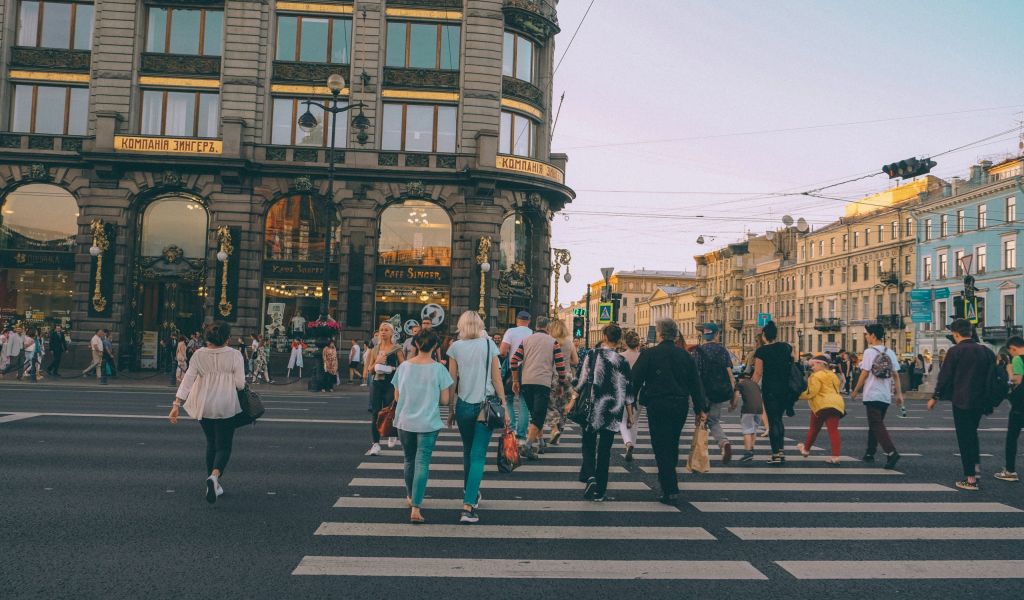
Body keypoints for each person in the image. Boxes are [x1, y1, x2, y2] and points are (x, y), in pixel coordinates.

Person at [168, 321, 247, 504]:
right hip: (226, 404)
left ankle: (211, 482)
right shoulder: (235, 355)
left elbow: (188, 379)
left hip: (204, 403)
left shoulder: (198, 354)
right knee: (224, 446)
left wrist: (176, 404)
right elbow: (240, 384)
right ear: (227, 338)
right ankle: (214, 476)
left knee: (211, 443)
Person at [629, 318, 706, 505]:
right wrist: (700, 409)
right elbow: (696, 384)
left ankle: (670, 488)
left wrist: (630, 402)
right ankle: (668, 481)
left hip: (657, 404)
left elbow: (635, 379)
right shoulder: (685, 356)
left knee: (660, 445)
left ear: (660, 334)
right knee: (672, 442)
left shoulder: (650, 354)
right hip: (680, 405)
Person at [445, 311, 508, 524]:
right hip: (485, 406)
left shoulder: (454, 347)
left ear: (461, 326)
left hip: (463, 406)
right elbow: (497, 379)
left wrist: (452, 409)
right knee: (478, 455)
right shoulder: (489, 345)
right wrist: (505, 405)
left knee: (467, 451)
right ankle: (468, 506)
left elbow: (452, 381)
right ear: (480, 325)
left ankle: (470, 491)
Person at [566, 324, 633, 502]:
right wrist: (630, 414)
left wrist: (572, 400)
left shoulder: (592, 355)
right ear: (619, 340)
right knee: (605, 450)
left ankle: (590, 476)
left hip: (593, 407)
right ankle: (600, 491)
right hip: (613, 410)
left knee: (588, 443)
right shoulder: (622, 361)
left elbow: (581, 381)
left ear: (604, 337)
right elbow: (627, 389)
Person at [928, 318, 997, 490]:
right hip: (980, 401)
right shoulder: (986, 351)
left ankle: (971, 478)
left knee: (965, 437)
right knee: (972, 433)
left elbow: (945, 376)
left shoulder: (955, 351)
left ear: (956, 334)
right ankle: (975, 465)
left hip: (961, 400)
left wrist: (935, 396)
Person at [392, 330, 452, 524]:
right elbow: (444, 400)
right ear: (435, 347)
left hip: (405, 420)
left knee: (409, 459)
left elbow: (397, 397)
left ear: (416, 345)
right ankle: (416, 507)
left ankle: (410, 496)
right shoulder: (439, 370)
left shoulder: (403, 367)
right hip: (428, 422)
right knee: (422, 462)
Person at [510, 316, 568, 460]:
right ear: (548, 328)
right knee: (538, 416)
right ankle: (528, 446)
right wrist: (561, 384)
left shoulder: (526, 340)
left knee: (535, 414)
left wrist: (515, 380)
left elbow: (514, 360)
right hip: (543, 383)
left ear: (536, 326)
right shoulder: (553, 342)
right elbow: (561, 366)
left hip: (526, 382)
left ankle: (541, 442)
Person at [850, 323, 902, 470]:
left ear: (873, 335)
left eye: (867, 334)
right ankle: (870, 452)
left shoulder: (869, 352)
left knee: (876, 424)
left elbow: (865, 373)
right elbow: (896, 375)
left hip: (872, 393)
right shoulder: (890, 352)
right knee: (875, 424)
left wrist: (855, 390)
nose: (866, 336)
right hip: (886, 395)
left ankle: (891, 452)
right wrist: (899, 395)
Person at [692, 323, 736, 464]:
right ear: (716, 335)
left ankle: (698, 456)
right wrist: (733, 394)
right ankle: (723, 443)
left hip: (703, 392)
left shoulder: (698, 351)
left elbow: (695, 375)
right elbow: (730, 374)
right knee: (714, 421)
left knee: (701, 421)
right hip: (718, 391)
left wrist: (694, 395)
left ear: (704, 335)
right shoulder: (723, 351)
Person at [752, 321, 795, 463]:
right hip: (785, 388)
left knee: (772, 421)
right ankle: (781, 451)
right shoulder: (786, 347)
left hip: (770, 389)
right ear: (776, 335)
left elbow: (758, 373)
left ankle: (776, 453)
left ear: (764, 335)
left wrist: (750, 386)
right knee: (779, 420)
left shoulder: (761, 351)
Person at [364, 321, 405, 455]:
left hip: (391, 383)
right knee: (375, 412)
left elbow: (404, 367)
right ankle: (375, 444)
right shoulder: (375, 349)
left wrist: (392, 368)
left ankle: (392, 433)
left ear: (392, 333)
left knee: (390, 410)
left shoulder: (396, 348)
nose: (383, 332)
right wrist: (377, 362)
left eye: (386, 330)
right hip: (377, 382)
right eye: (381, 330)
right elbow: (370, 369)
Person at [796, 354, 845, 464]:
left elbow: (811, 393)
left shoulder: (815, 376)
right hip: (837, 404)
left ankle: (806, 450)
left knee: (813, 429)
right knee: (833, 431)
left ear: (820, 364)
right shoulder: (833, 376)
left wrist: (796, 396)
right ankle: (835, 456)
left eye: (813, 365)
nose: (812, 368)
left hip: (822, 405)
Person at [500, 311, 534, 441]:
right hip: (527, 371)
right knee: (523, 402)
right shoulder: (532, 333)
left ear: (517, 320)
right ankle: (521, 433)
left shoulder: (511, 332)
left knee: (508, 399)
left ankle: (511, 427)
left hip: (512, 370)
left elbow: (502, 351)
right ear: (529, 321)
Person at [545, 319, 579, 446]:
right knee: (563, 407)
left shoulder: (550, 342)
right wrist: (565, 362)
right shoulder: (569, 343)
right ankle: (558, 435)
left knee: (550, 404)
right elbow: (575, 361)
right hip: (568, 376)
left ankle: (554, 428)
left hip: (553, 376)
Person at [996, 336, 1024, 482]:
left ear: (1013, 348)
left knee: (1012, 438)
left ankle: (1010, 471)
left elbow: (1017, 380)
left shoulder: (1018, 359)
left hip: (1020, 406)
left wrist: (1009, 371)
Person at [619, 330, 643, 460]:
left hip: (623, 391)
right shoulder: (642, 356)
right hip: (638, 392)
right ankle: (632, 445)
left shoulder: (620, 356)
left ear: (625, 343)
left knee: (623, 421)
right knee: (635, 420)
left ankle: (627, 443)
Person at [735, 370, 763, 461]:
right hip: (759, 409)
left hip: (748, 409)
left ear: (740, 379)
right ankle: (751, 448)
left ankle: (748, 453)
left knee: (747, 430)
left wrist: (732, 406)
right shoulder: (756, 384)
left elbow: (736, 397)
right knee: (753, 429)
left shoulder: (740, 384)